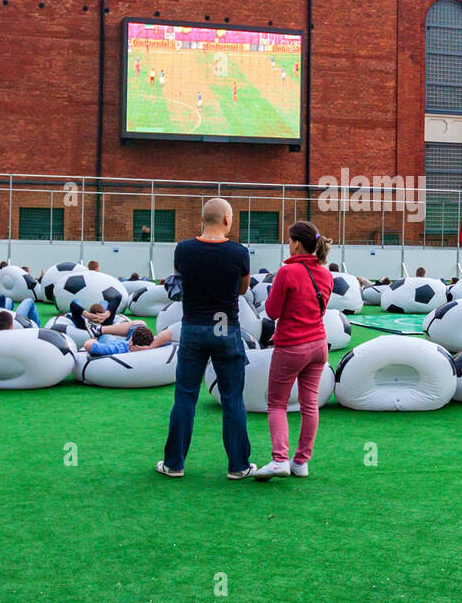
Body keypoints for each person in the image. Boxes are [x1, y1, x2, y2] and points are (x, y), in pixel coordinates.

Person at [158, 198, 255, 480]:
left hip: (193, 327)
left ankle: (174, 464)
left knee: (185, 398)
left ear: (203, 219)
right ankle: (238, 466)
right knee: (232, 399)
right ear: (227, 219)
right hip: (226, 328)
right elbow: (242, 289)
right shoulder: (239, 252)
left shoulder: (184, 249)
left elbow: (179, 283)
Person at [255, 221, 334, 482]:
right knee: (309, 404)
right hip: (319, 346)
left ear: (296, 244)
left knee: (277, 404)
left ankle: (279, 460)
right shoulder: (326, 275)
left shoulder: (286, 273)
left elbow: (272, 312)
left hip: (291, 347)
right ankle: (301, 461)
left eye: (289, 241)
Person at [84, 324, 171, 355]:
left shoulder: (119, 348)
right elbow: (168, 333)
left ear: (131, 342)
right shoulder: (151, 345)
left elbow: (88, 345)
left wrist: (94, 340)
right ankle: (100, 328)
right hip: (142, 345)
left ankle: (99, 331)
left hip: (108, 340)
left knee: (106, 336)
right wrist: (150, 347)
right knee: (140, 324)